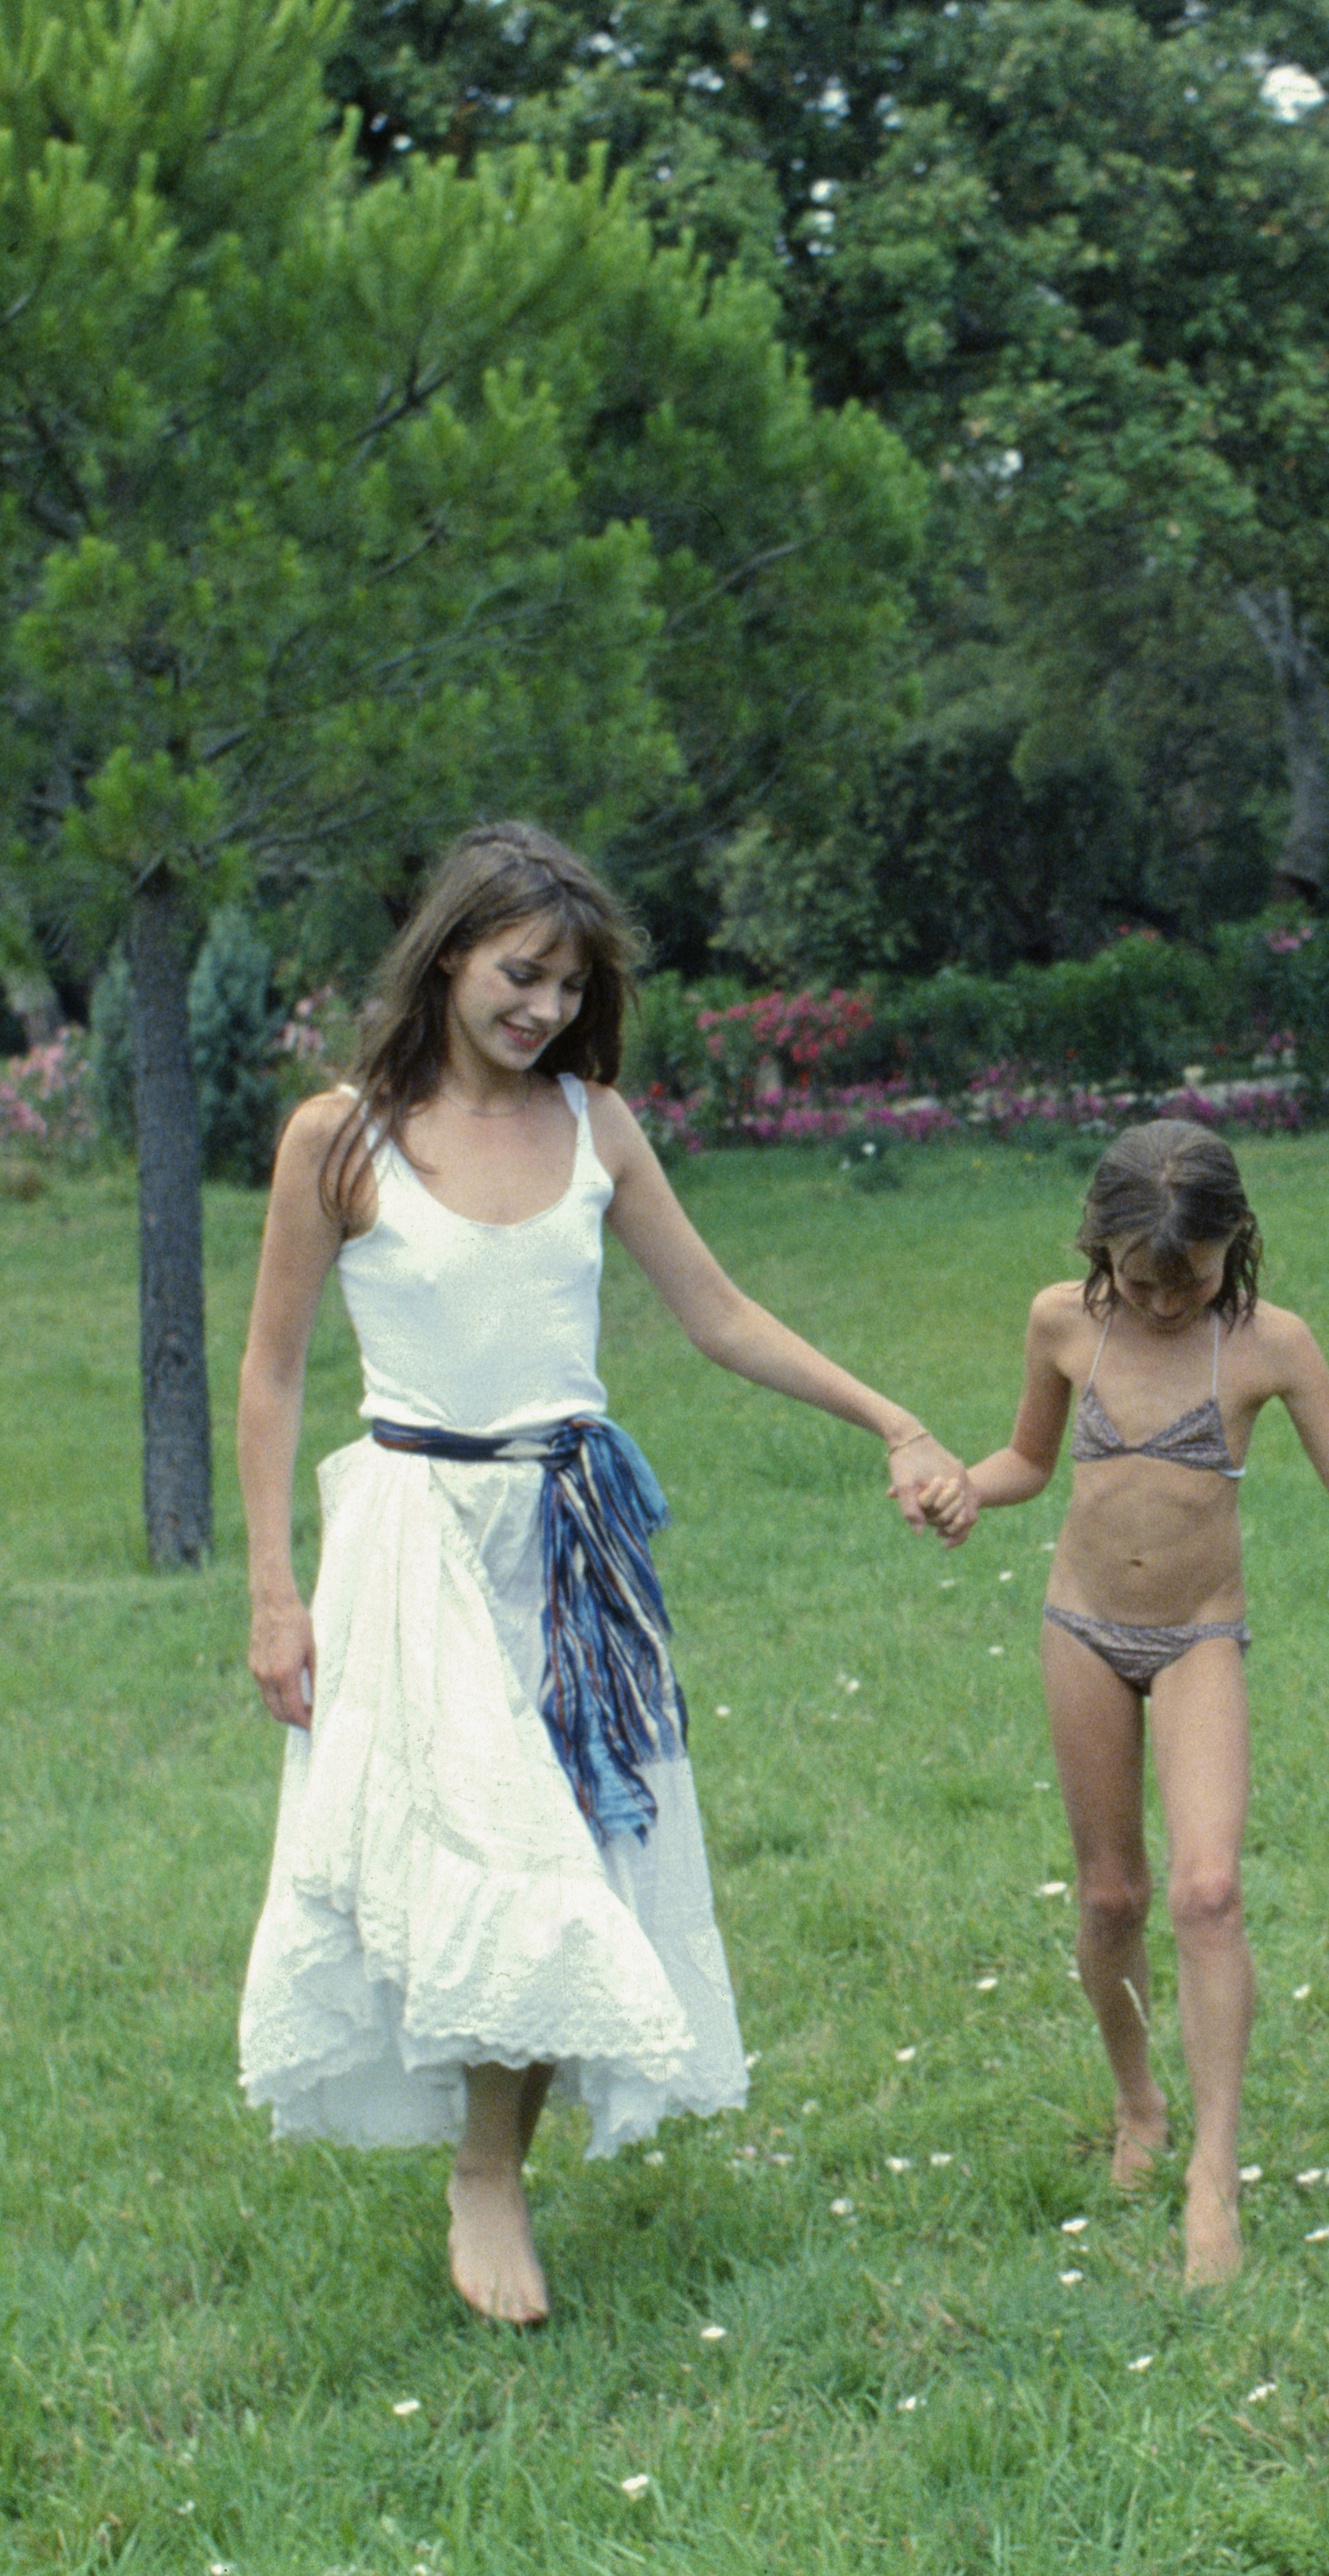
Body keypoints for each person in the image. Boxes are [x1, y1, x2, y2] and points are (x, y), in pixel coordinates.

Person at [232, 821, 964, 2327]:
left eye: (568, 984)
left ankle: (488, 2169)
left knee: (562, 1856)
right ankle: (480, 2166)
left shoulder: (595, 1124)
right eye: (520, 973)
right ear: (447, 956)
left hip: (569, 1548)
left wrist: (887, 1415)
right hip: (416, 1543)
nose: (544, 1009)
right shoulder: (342, 1137)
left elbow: (718, 1314)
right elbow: (268, 1371)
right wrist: (270, 1588)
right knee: (463, 1861)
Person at [924, 1120, 1329, 2285]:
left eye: (1195, 1278)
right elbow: (1024, 1460)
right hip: (1079, 1629)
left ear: (1238, 1244)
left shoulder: (1272, 1345)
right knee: (1112, 1892)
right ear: (1099, 1250)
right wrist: (961, 1489)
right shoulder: (1062, 1320)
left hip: (1197, 1636)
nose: (1168, 1305)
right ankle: (1138, 2105)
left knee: (1208, 1892)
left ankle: (1212, 2173)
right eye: (1142, 1280)